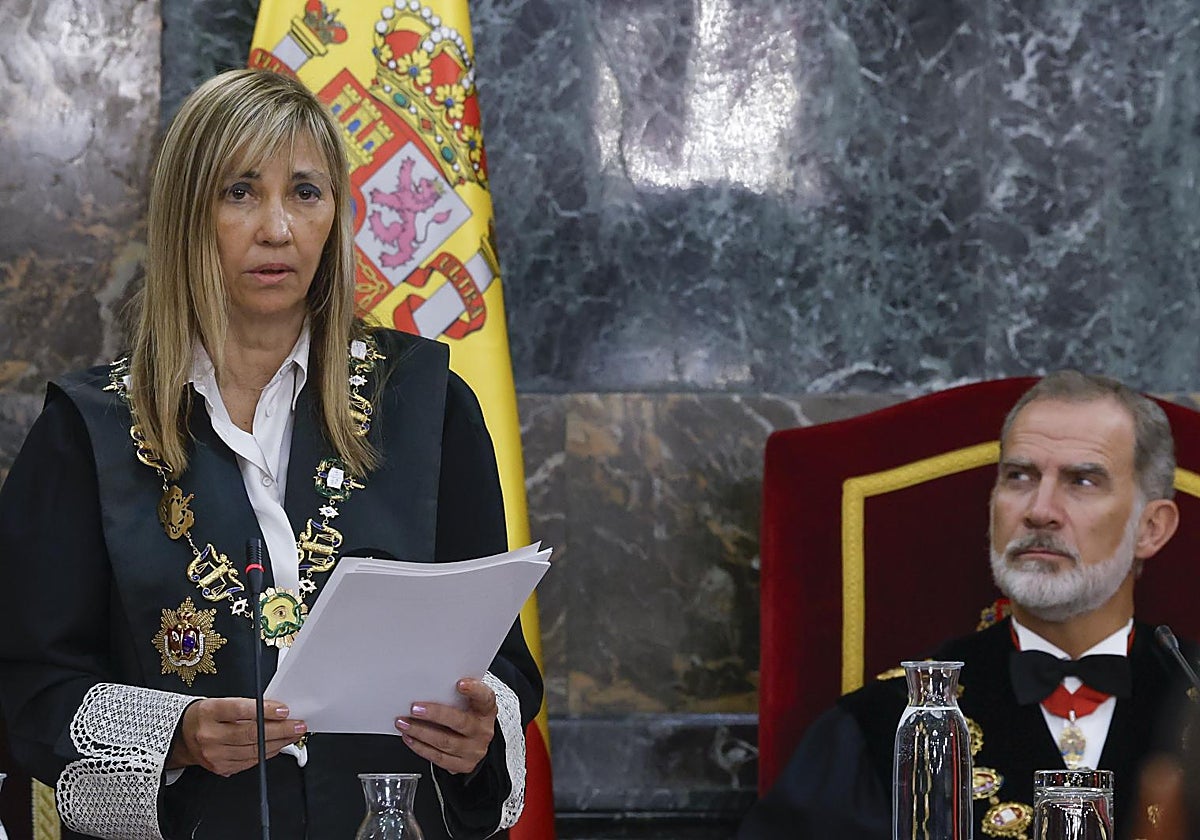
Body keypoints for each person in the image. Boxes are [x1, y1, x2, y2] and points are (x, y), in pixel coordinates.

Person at [0, 69, 542, 839]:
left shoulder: (426, 404)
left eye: (306, 193)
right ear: (186, 214)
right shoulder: (88, 429)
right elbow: (29, 684)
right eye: (240, 193)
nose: (278, 229)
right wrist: (176, 735)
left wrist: (479, 729)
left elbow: (502, 661)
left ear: (336, 216)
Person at [740, 370, 1197, 840]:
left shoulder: (1192, 694)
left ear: (1151, 529)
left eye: (1082, 481)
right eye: (1019, 477)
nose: (1039, 510)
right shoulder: (884, 723)